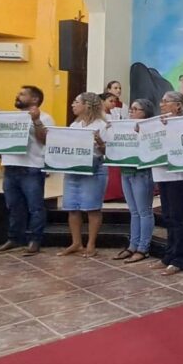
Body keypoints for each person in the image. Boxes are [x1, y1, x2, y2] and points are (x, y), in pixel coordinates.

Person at [0, 86, 54, 256]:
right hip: (10, 166)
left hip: (31, 167)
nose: (17, 96)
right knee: (14, 207)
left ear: (35, 99)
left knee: (35, 207)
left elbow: (45, 140)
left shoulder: (45, 117)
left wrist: (36, 120)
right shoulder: (11, 117)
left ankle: (34, 241)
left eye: (23, 94)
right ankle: (14, 239)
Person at [57, 92, 109, 257]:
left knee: (92, 207)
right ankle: (76, 242)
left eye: (76, 102)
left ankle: (91, 244)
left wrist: (100, 142)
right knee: (72, 207)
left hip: (94, 168)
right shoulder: (74, 126)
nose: (73, 105)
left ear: (87, 105)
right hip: (74, 168)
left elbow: (108, 151)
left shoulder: (102, 125)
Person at [111, 98, 156, 264]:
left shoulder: (151, 128)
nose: (132, 112)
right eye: (131, 109)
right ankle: (132, 245)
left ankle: (143, 247)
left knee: (144, 211)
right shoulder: (125, 126)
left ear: (145, 113)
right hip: (126, 171)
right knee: (134, 211)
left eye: (136, 109)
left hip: (142, 172)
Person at [156, 92, 183, 276]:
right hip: (162, 174)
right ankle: (169, 254)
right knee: (168, 216)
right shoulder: (159, 122)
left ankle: (181, 257)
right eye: (161, 101)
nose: (161, 104)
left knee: (178, 218)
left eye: (166, 101)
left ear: (178, 106)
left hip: (178, 176)